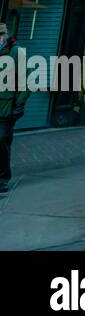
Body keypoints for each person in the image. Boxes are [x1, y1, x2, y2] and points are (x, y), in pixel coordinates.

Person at [0, 22, 29, 195]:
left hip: (6, 107)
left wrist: (18, 106)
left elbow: (27, 82)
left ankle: (2, 179)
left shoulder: (17, 52)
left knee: (2, 141)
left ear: (5, 36)